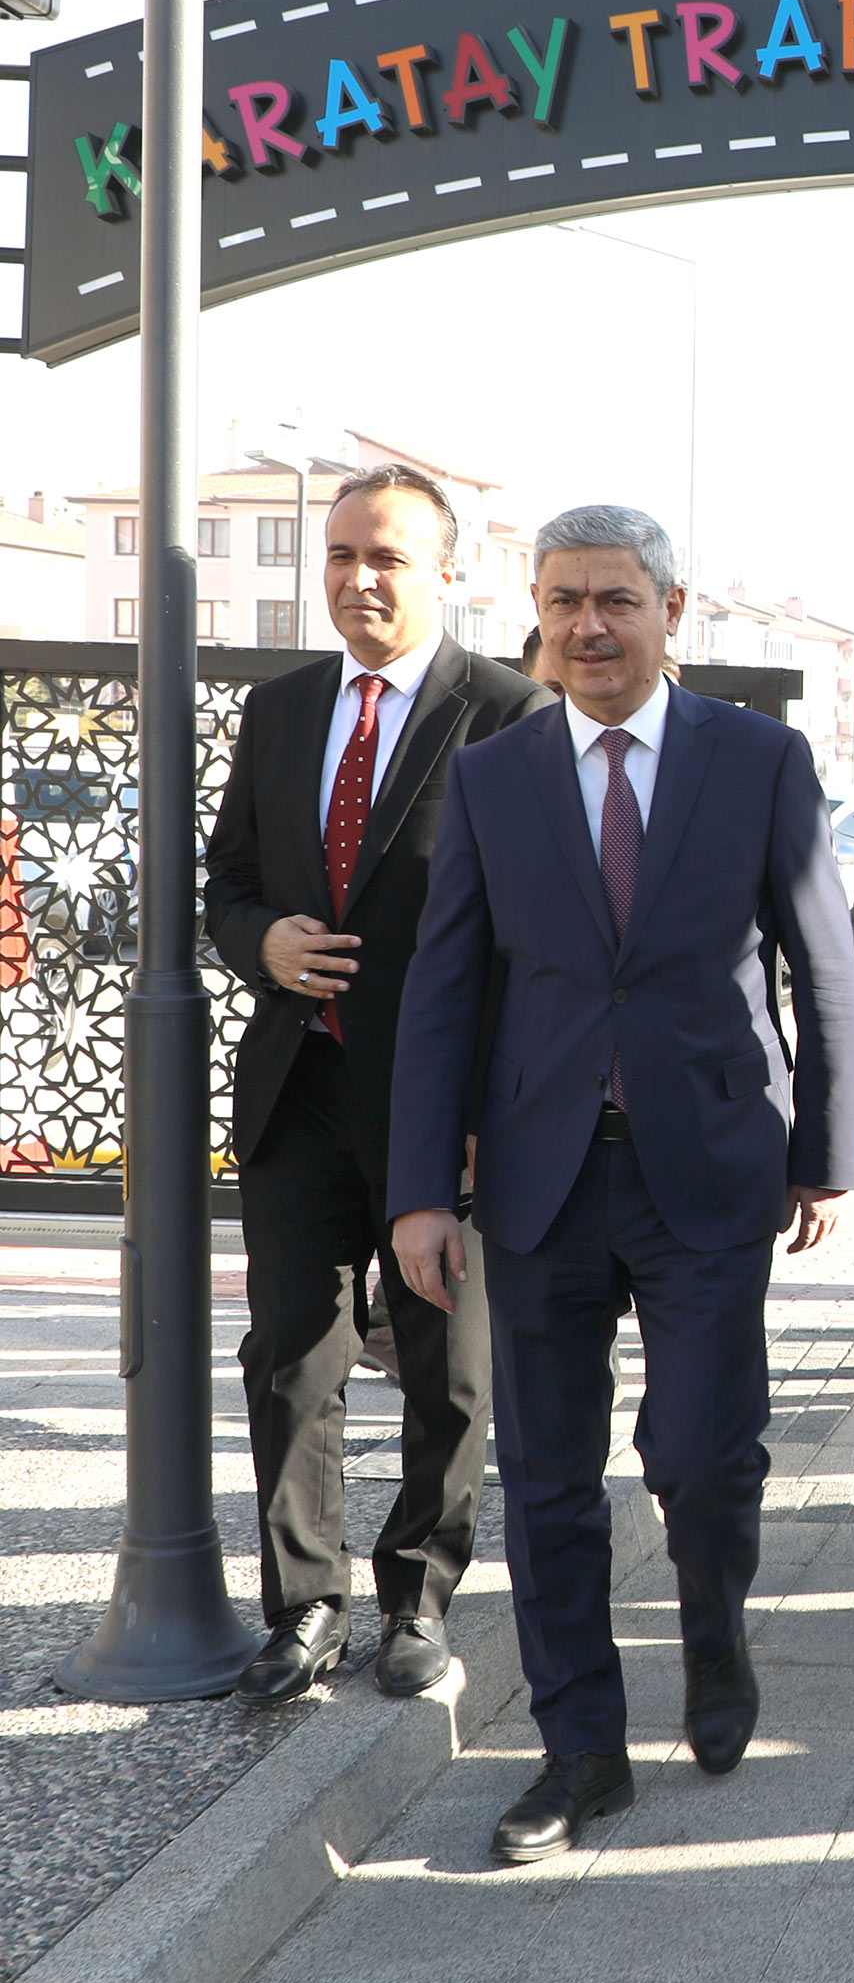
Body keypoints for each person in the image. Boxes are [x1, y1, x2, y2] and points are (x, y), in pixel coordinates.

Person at [388, 504, 854, 1863]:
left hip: (710, 1166)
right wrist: (422, 1186)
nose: (586, 626)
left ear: (671, 608)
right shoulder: (493, 774)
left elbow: (819, 965)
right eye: (560, 600)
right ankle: (579, 1752)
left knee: (703, 1457)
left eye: (613, 599)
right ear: (535, 612)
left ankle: (713, 1637)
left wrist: (822, 1151)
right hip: (539, 1178)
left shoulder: (758, 759)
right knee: (545, 1479)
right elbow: (446, 988)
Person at [203, 464, 551, 1705]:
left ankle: (418, 1601)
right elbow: (226, 877)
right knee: (292, 1354)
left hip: (442, 1104)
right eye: (342, 554)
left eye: (387, 558)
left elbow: (535, 934)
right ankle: (304, 1607)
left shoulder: (508, 714)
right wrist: (263, 944)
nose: (357, 578)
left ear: (447, 572)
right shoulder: (284, 708)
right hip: (302, 1080)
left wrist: (483, 1113)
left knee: (448, 1365)